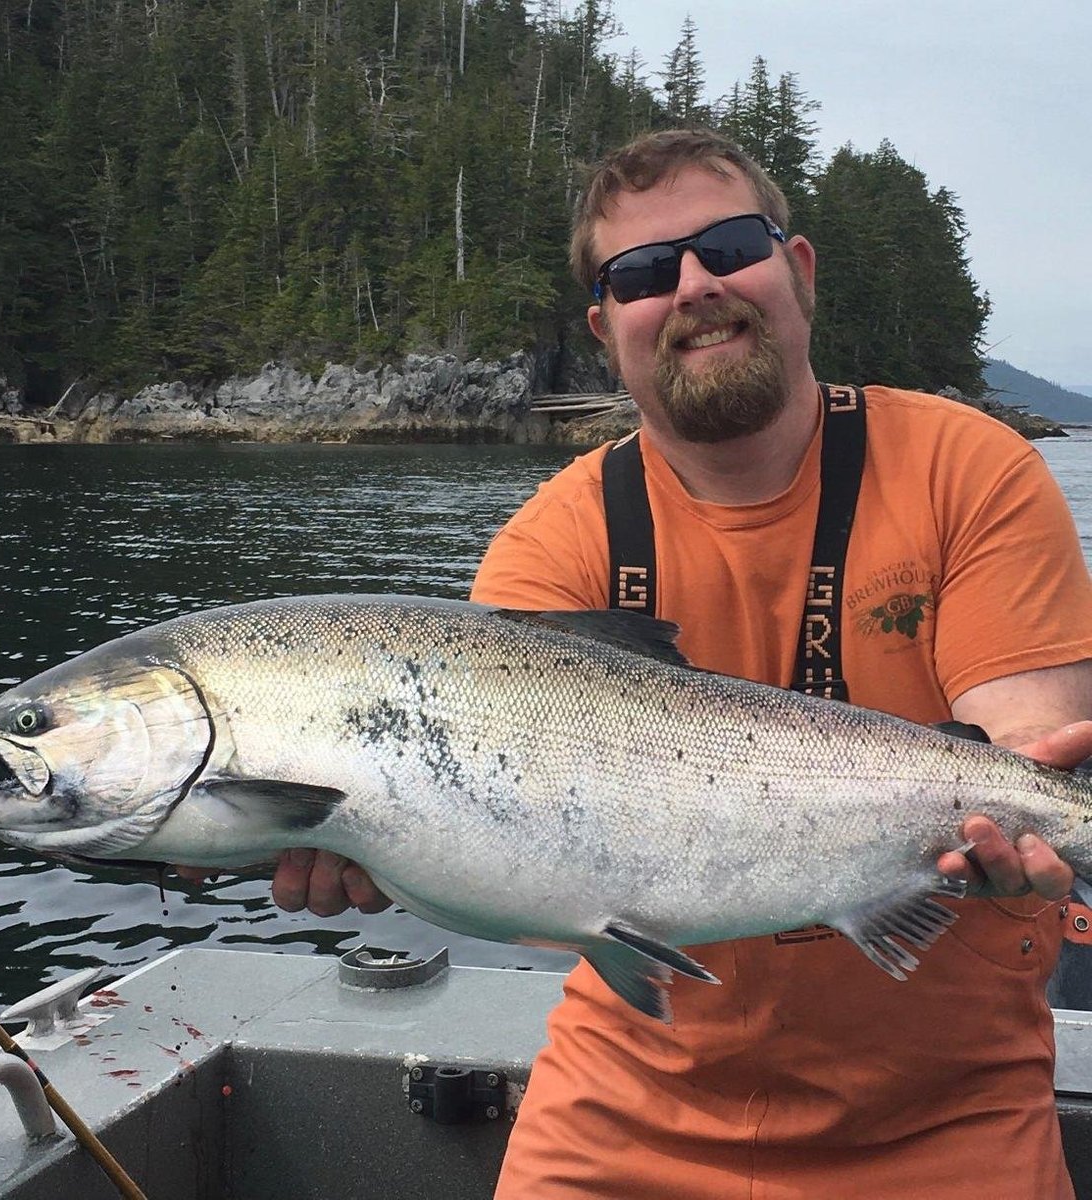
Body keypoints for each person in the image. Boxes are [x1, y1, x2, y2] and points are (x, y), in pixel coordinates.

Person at [270, 128, 1092, 1197]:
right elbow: (506, 840)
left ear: (796, 270)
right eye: (646, 272)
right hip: (623, 1114)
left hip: (948, 1119)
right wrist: (374, 844)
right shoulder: (550, 547)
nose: (696, 285)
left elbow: (1028, 746)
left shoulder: (966, 466)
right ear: (607, 324)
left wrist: (1030, 815)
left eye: (729, 245)